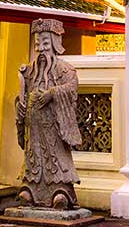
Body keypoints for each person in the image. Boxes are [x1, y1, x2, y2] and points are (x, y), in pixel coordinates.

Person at [15, 17, 82, 208]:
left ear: (54, 43)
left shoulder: (65, 69)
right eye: (38, 44)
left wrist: (53, 93)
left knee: (57, 157)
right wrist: (19, 105)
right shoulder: (30, 71)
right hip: (33, 129)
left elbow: (71, 88)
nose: (41, 49)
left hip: (54, 126)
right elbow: (23, 95)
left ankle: (61, 191)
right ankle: (31, 190)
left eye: (45, 43)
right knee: (33, 158)